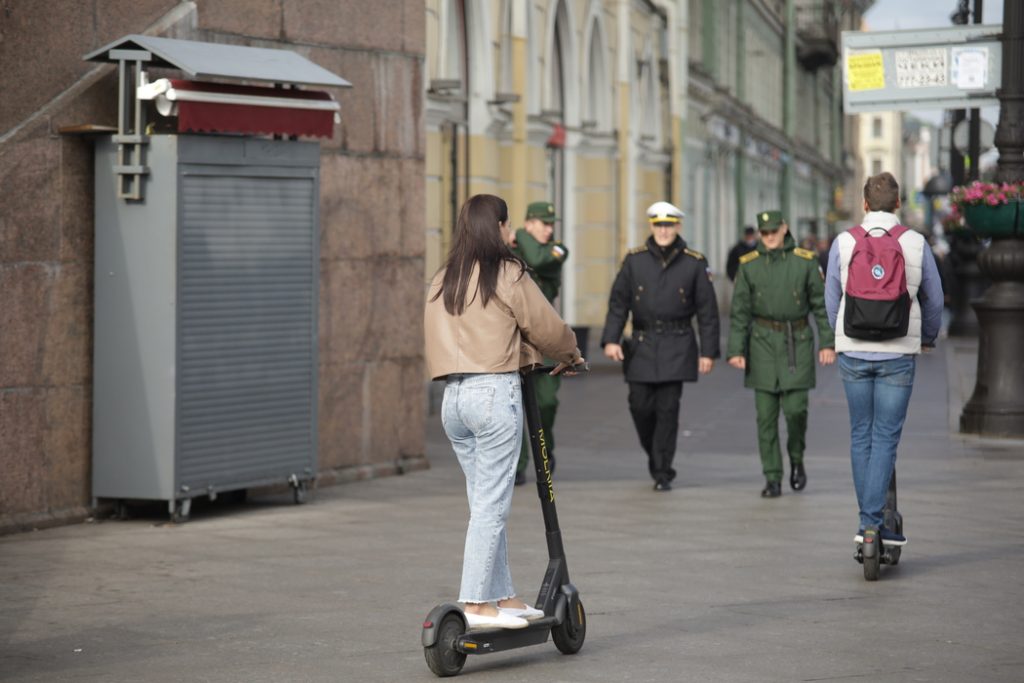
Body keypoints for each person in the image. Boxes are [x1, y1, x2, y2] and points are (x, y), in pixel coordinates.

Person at [424, 194, 583, 629]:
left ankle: (504, 594)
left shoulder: (444, 277)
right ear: (495, 227)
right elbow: (545, 324)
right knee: (491, 507)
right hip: (493, 393)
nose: (511, 234)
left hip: (452, 399)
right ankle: (476, 602)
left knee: (484, 503)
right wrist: (571, 353)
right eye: (507, 225)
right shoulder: (506, 271)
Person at [824, 172, 943, 548]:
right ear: (897, 204)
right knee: (885, 438)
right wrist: (925, 339)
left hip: (853, 351)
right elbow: (934, 300)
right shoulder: (914, 242)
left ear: (863, 204)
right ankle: (874, 525)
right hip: (897, 353)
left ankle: (868, 523)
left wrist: (841, 334)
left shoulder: (844, 242)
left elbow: (831, 299)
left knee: (861, 434)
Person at [600, 201, 720, 491]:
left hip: (677, 345)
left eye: (668, 225)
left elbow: (707, 311)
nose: (663, 231)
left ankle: (663, 470)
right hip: (641, 345)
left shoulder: (694, 262)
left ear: (677, 226)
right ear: (651, 226)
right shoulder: (634, 260)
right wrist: (611, 339)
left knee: (667, 410)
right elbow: (619, 303)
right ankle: (656, 455)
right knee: (639, 406)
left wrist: (708, 352)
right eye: (658, 225)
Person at [726, 210, 836, 498]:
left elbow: (820, 307)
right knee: (765, 416)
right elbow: (739, 312)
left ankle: (796, 457)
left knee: (796, 410)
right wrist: (736, 349)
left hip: (796, 342)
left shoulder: (806, 261)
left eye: (774, 230)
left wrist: (827, 343)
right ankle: (772, 476)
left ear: (785, 228)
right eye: (764, 232)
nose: (769, 237)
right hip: (761, 342)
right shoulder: (749, 265)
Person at [507, 201, 569, 486]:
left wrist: (519, 233)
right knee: (515, 407)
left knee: (545, 402)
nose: (549, 229)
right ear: (530, 222)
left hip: (544, 344)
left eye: (551, 223)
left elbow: (539, 259)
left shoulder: (556, 251)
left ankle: (547, 450)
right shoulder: (512, 252)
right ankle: (518, 466)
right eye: (543, 223)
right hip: (515, 342)